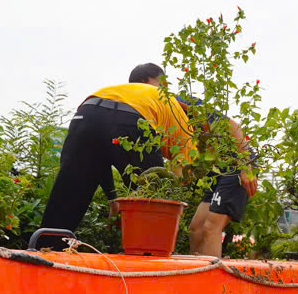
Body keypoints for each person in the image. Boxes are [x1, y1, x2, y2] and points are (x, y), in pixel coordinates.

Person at [39, 73, 196, 247]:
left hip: (88, 112)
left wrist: (112, 197)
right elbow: (182, 174)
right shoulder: (183, 122)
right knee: (154, 195)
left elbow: (99, 157)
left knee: (69, 192)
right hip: (131, 118)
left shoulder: (135, 93)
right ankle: (150, 255)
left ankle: (46, 249)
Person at [128, 63, 257, 257]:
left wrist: (246, 167)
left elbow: (233, 126)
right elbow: (179, 157)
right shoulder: (158, 115)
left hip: (237, 163)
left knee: (211, 227)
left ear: (151, 83)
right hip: (218, 169)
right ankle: (194, 276)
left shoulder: (177, 101)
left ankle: (212, 283)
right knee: (195, 229)